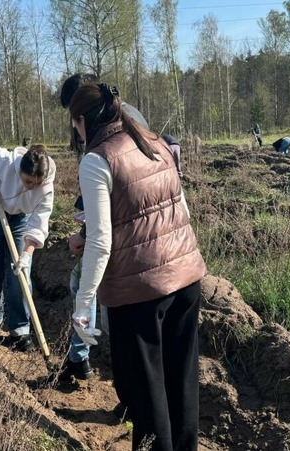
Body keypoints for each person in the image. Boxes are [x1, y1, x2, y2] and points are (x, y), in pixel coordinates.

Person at [68, 83, 207, 451]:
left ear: (82, 121)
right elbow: (179, 208)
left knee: (146, 398)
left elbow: (100, 242)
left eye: (75, 126)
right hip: (187, 277)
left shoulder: (97, 160)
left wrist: (83, 306)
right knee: (182, 381)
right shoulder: (156, 143)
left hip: (140, 293)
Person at [57, 73, 150, 382]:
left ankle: (109, 370)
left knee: (98, 294)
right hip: (144, 231)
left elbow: (107, 190)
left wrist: (85, 234)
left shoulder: (99, 127)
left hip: (120, 236)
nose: (74, 124)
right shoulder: (126, 114)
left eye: (74, 114)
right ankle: (90, 360)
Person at [0, 141, 55, 352]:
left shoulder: (46, 189)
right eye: (27, 181)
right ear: (19, 170)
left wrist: (27, 255)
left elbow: (38, 224)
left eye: (36, 184)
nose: (30, 187)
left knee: (21, 275)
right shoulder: (8, 161)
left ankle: (20, 328)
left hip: (21, 221)